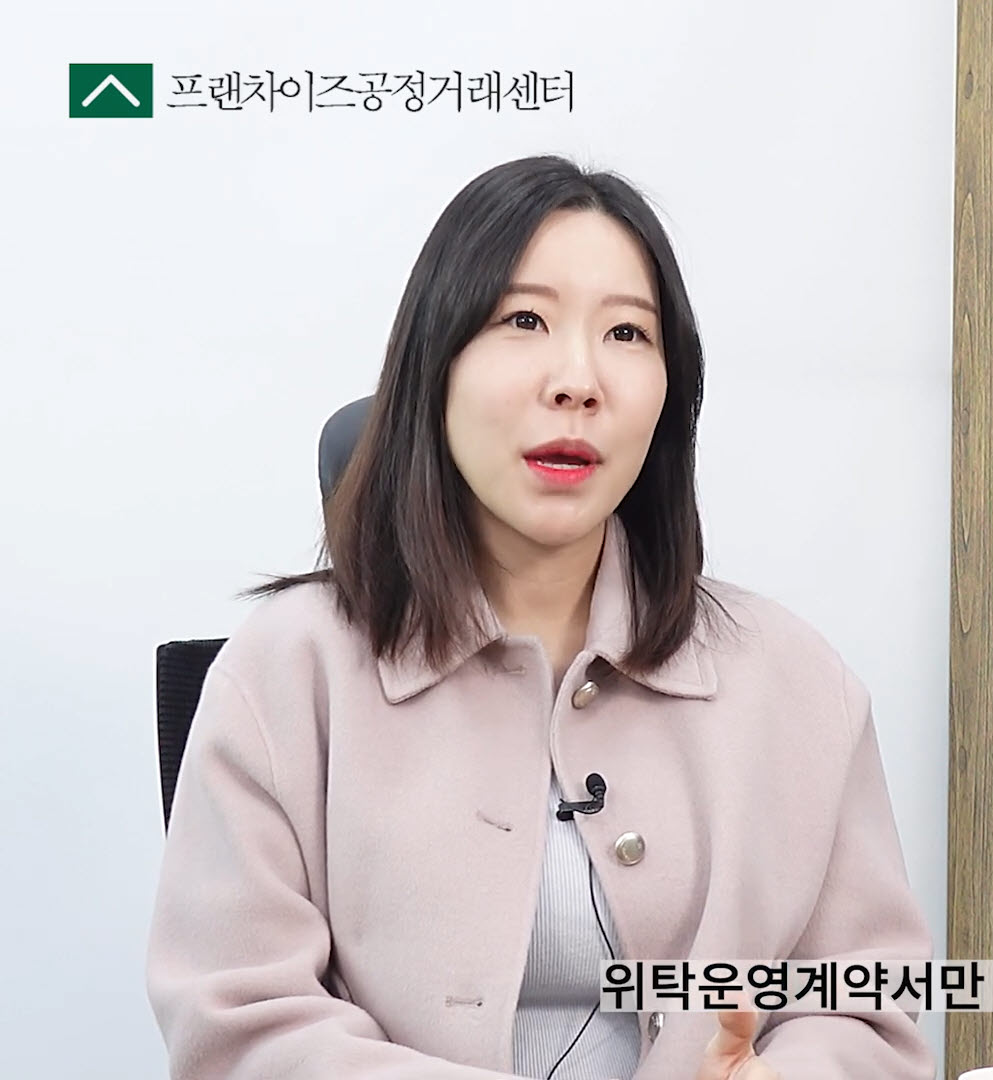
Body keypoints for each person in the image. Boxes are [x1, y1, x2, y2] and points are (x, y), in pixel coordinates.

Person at [145, 155, 935, 1080]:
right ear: (436, 364)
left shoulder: (795, 683)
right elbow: (242, 1027)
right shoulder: (284, 672)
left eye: (627, 333)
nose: (578, 380)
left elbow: (868, 1010)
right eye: (524, 320)